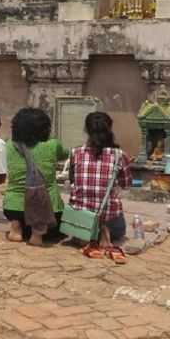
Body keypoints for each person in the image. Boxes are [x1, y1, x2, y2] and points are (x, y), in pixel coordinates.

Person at [68, 111, 133, 263]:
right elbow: (126, 184)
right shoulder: (119, 154)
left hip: (81, 214)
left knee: (81, 220)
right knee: (120, 230)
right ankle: (104, 228)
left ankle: (87, 233)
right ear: (109, 129)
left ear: (86, 129)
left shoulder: (75, 152)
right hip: (109, 213)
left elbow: (72, 180)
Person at [2, 108, 69, 246]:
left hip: (13, 208)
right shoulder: (52, 144)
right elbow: (65, 154)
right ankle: (37, 232)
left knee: (18, 206)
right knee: (57, 230)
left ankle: (16, 227)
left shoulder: (8, 145)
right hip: (47, 209)